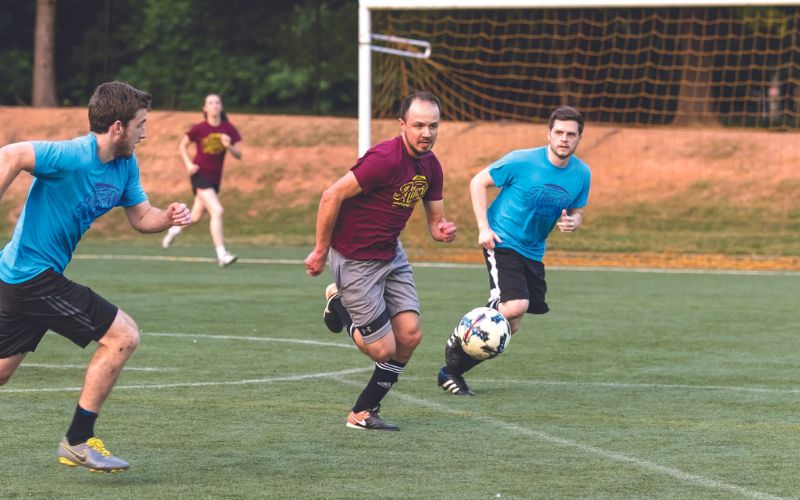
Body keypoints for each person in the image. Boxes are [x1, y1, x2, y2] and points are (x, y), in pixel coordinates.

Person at [0, 81, 191, 472]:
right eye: (140, 125)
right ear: (118, 127)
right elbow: (13, 154)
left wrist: (168, 218)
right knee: (123, 336)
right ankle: (77, 440)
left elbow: (141, 217)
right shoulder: (72, 155)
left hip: (21, 276)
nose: (145, 134)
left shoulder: (125, 166)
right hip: (31, 276)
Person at [304, 92, 457, 431]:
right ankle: (339, 301)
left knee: (410, 336)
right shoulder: (384, 159)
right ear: (402, 125)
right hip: (355, 259)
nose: (426, 133)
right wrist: (319, 250)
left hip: (390, 253)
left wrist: (442, 229)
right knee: (382, 350)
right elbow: (331, 195)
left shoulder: (431, 165)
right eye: (418, 125)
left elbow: (435, 222)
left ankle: (363, 412)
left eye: (433, 126)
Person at [437, 106, 591, 396]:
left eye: (571, 134)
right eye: (558, 132)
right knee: (516, 305)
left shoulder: (582, 173)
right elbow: (477, 182)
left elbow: (578, 210)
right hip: (502, 238)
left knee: (511, 326)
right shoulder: (521, 160)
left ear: (579, 138)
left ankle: (451, 372)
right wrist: (484, 227)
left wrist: (574, 222)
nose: (564, 139)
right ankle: (465, 329)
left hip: (534, 250)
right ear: (549, 133)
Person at [162, 94, 241, 267]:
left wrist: (229, 147)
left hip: (215, 179)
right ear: (205, 108)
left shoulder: (229, 129)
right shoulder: (199, 128)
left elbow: (239, 154)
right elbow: (182, 145)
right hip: (199, 175)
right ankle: (222, 255)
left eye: (217, 103)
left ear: (221, 107)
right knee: (217, 211)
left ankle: (174, 230)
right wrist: (188, 164)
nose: (214, 106)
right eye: (210, 103)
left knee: (196, 217)